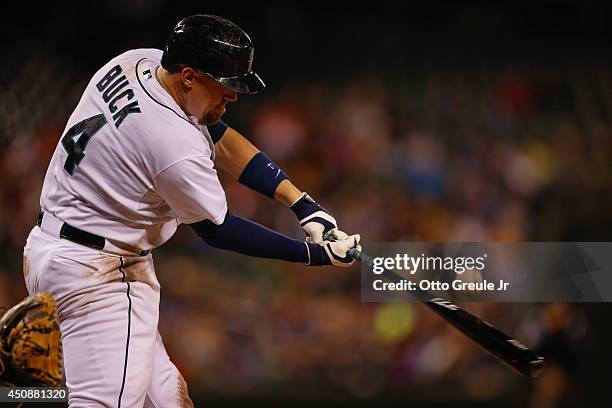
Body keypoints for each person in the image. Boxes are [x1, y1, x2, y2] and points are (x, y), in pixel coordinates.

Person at [23, 14, 360, 407]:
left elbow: (220, 138)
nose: (232, 97)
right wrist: (313, 255)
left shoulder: (135, 62)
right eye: (225, 86)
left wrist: (303, 205)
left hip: (56, 248)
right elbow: (218, 229)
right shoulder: (172, 143)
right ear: (189, 76)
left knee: (168, 400)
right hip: (100, 275)